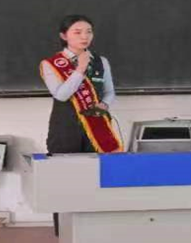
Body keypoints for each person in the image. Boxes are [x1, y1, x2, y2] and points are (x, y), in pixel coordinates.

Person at [38, 14, 123, 237]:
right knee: (64, 179)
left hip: (96, 126)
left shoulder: (101, 61)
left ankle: (96, 232)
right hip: (65, 128)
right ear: (64, 36)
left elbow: (110, 92)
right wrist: (80, 69)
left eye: (88, 31)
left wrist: (104, 104)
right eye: (77, 32)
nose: (84, 36)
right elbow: (61, 94)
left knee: (96, 178)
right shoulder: (51, 64)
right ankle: (64, 232)